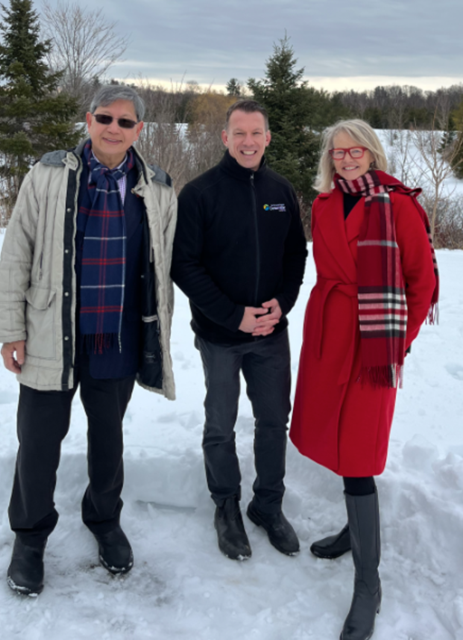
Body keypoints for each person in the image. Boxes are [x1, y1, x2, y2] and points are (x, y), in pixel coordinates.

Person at [0, 84, 178, 596]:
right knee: (38, 442)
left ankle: (103, 519)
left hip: (117, 336)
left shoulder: (158, 187)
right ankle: (29, 537)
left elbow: (163, 267)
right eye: (105, 118)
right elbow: (17, 252)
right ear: (88, 119)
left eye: (125, 122)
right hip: (53, 331)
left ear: (140, 129)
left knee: (108, 439)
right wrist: (11, 327)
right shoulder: (49, 175)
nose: (113, 128)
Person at [289, 119, 439, 640]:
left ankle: (368, 584)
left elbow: (421, 282)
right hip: (330, 329)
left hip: (374, 340)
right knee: (331, 435)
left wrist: (399, 340)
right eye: (338, 152)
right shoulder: (326, 203)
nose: (346, 158)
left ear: (372, 153)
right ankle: (355, 532)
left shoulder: (398, 205)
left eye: (356, 151)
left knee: (358, 450)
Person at [171, 100, 308, 561]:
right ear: (225, 138)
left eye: (256, 133)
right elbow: (183, 265)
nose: (248, 141)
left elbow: (295, 256)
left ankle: (268, 505)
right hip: (221, 335)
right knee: (220, 423)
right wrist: (233, 314)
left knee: (273, 421)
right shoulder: (200, 193)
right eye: (239, 133)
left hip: (271, 334)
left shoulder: (281, 190)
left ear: (268, 138)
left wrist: (280, 304)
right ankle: (225, 505)